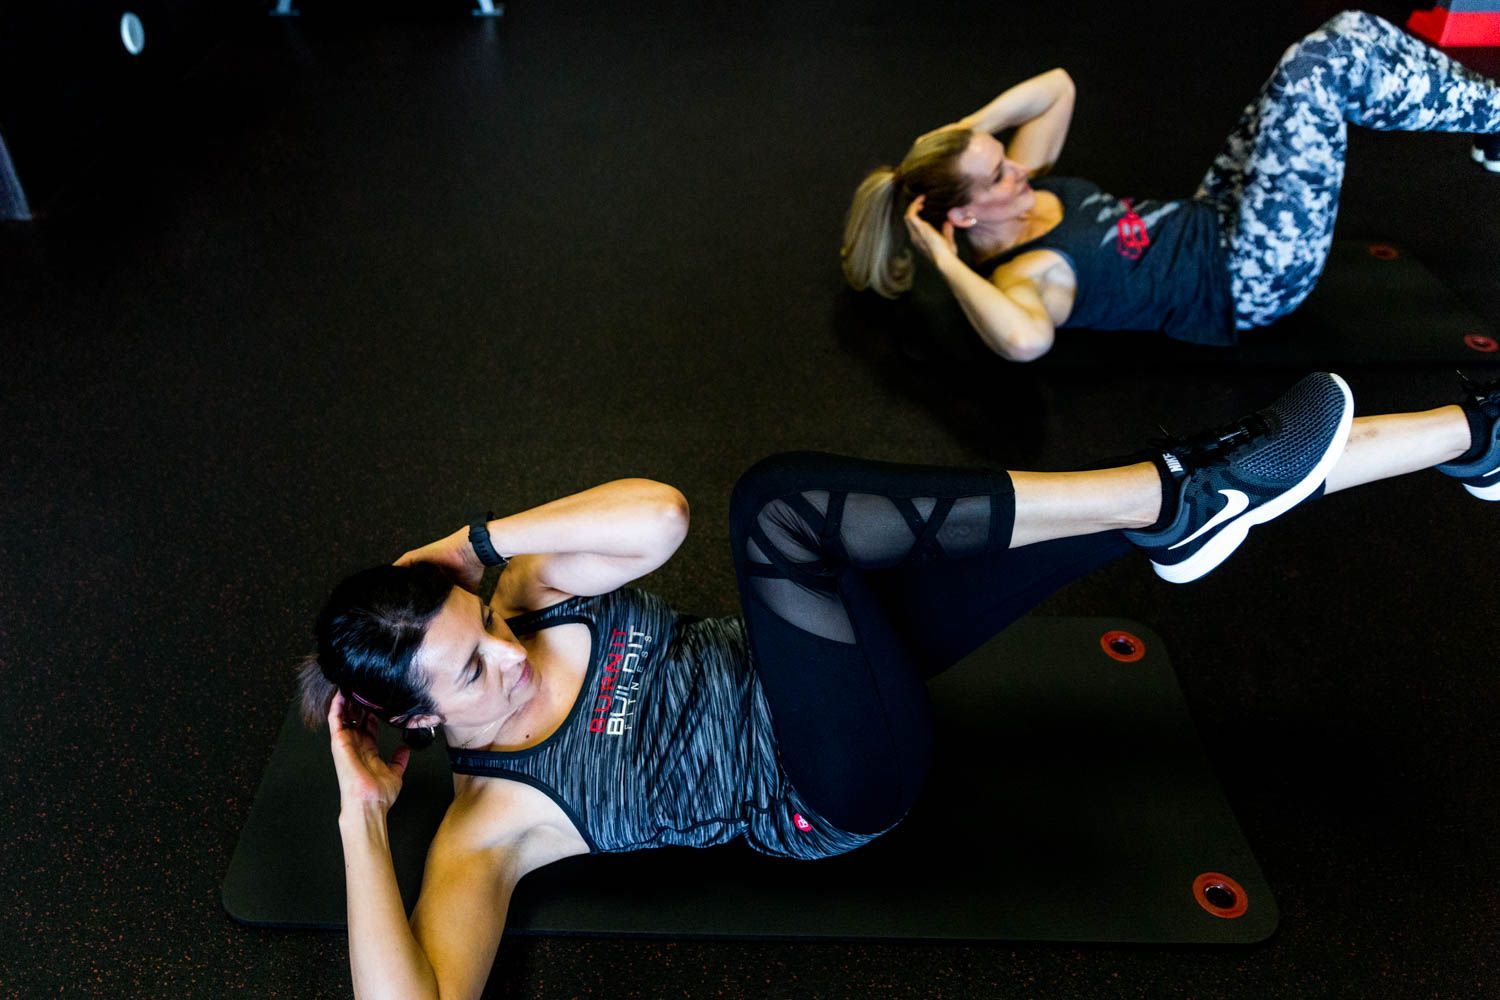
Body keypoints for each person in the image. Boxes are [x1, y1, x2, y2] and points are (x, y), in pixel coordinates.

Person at [302, 371, 1497, 999]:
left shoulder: (520, 599)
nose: (505, 654)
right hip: (833, 776)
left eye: (483, 628)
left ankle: (1469, 434)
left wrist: (475, 545)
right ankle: (1178, 490)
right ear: (415, 722)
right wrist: (364, 817)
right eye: (470, 668)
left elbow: (656, 517)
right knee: (777, 510)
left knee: (1089, 519)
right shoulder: (487, 824)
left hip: (821, 652)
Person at [841, 11, 1500, 361]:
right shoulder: (1028, 277)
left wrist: (963, 134)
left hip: (1217, 211)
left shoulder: (1020, 191)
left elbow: (1057, 86)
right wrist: (943, 263)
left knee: (1345, 31)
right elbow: (1025, 342)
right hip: (1249, 278)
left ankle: (1490, 111)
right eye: (996, 173)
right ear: (961, 217)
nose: (1017, 169)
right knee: (1318, 71)